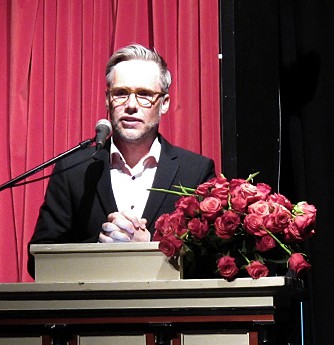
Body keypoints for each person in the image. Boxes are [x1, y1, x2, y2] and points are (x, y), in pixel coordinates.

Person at [28, 43, 216, 278]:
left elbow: (212, 261)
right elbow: (39, 261)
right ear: (108, 100)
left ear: (165, 103)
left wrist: (150, 246)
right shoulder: (73, 170)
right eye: (121, 93)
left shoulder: (195, 172)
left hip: (166, 311)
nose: (131, 105)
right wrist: (100, 249)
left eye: (145, 95)